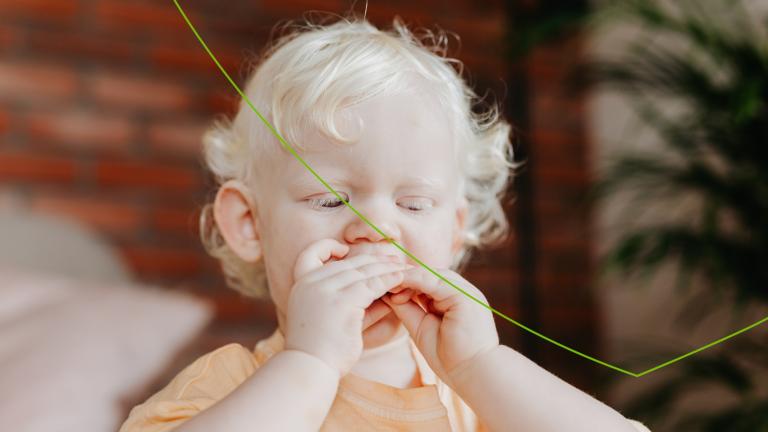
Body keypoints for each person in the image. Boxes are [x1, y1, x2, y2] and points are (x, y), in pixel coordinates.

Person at [119, 11, 651, 432]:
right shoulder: (224, 389)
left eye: (414, 205)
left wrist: (481, 366)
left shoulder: (484, 399)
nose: (376, 229)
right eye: (330, 200)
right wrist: (311, 362)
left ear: (455, 232)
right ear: (249, 224)